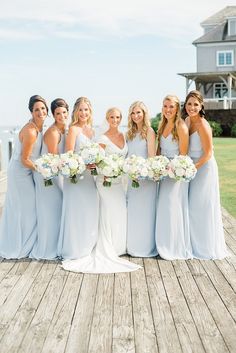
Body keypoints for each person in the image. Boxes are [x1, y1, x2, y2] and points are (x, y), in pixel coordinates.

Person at [61, 107, 140, 273]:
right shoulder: (102, 138)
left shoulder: (124, 136)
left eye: (118, 117)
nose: (115, 120)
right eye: (112, 117)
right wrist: (105, 171)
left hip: (119, 181)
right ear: (107, 118)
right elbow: (97, 159)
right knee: (110, 212)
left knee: (120, 212)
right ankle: (110, 247)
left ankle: (119, 247)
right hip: (106, 181)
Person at [0, 95, 48, 259]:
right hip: (20, 173)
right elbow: (25, 159)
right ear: (31, 112)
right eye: (36, 109)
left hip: (28, 171)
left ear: (47, 110)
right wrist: (43, 169)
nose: (40, 112)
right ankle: (18, 245)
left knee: (28, 208)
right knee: (23, 209)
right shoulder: (31, 130)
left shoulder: (41, 127)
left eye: (43, 108)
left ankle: (26, 241)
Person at [182, 90, 228, 259]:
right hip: (191, 167)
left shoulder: (203, 125)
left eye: (195, 104)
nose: (192, 107)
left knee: (202, 206)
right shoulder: (186, 121)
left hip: (204, 168)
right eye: (189, 104)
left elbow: (208, 153)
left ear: (201, 106)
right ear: (185, 105)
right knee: (191, 206)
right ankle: (193, 244)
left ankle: (205, 248)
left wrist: (193, 167)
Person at [57, 97, 99, 260]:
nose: (83, 113)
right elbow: (69, 156)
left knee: (89, 209)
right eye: (80, 110)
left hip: (89, 178)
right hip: (76, 177)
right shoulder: (73, 129)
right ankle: (75, 248)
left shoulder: (92, 130)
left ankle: (87, 245)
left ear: (90, 111)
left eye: (86, 109)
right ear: (75, 111)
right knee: (76, 211)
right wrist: (83, 164)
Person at [30, 98, 69, 260]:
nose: (61, 116)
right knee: (50, 211)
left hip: (55, 175)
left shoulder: (64, 129)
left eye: (64, 112)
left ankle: (57, 245)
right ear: (53, 115)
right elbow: (54, 160)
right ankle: (48, 248)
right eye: (58, 113)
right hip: (47, 176)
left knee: (57, 209)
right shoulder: (53, 133)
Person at [155, 95, 192, 260]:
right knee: (163, 207)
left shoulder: (181, 126)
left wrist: (172, 169)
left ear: (177, 109)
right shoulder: (162, 124)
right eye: (165, 106)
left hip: (175, 173)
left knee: (172, 207)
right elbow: (159, 151)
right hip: (163, 172)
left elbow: (183, 156)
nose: (167, 109)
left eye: (171, 107)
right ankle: (162, 243)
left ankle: (173, 246)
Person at [126, 101, 157, 257]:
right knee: (133, 211)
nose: (136, 116)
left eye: (138, 112)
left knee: (145, 212)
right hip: (132, 179)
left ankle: (144, 247)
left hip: (146, 180)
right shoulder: (130, 133)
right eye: (133, 113)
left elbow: (151, 157)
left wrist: (141, 171)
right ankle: (132, 246)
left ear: (144, 114)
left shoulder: (149, 132)